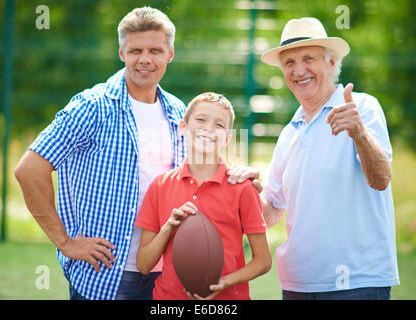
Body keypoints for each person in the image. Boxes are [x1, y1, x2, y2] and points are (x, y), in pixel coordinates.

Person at [14, 7, 187, 300]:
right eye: (136, 50)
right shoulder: (92, 106)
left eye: (155, 50)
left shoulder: (179, 112)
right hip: (106, 275)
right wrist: (66, 243)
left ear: (170, 54)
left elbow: (190, 182)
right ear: (121, 52)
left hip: (165, 274)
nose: (145, 59)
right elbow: (29, 170)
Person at [232, 17, 399, 300]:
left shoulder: (361, 107)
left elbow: (381, 180)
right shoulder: (289, 133)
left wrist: (359, 134)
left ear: (331, 63)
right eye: (289, 63)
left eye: (308, 58)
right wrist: (246, 189)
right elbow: (271, 211)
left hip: (357, 283)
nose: (299, 70)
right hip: (297, 285)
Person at [135, 92, 272, 300]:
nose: (208, 128)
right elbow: (144, 265)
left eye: (219, 125)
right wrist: (168, 227)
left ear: (227, 139)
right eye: (200, 120)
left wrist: (224, 282)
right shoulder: (160, 186)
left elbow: (263, 260)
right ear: (183, 128)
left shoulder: (242, 187)